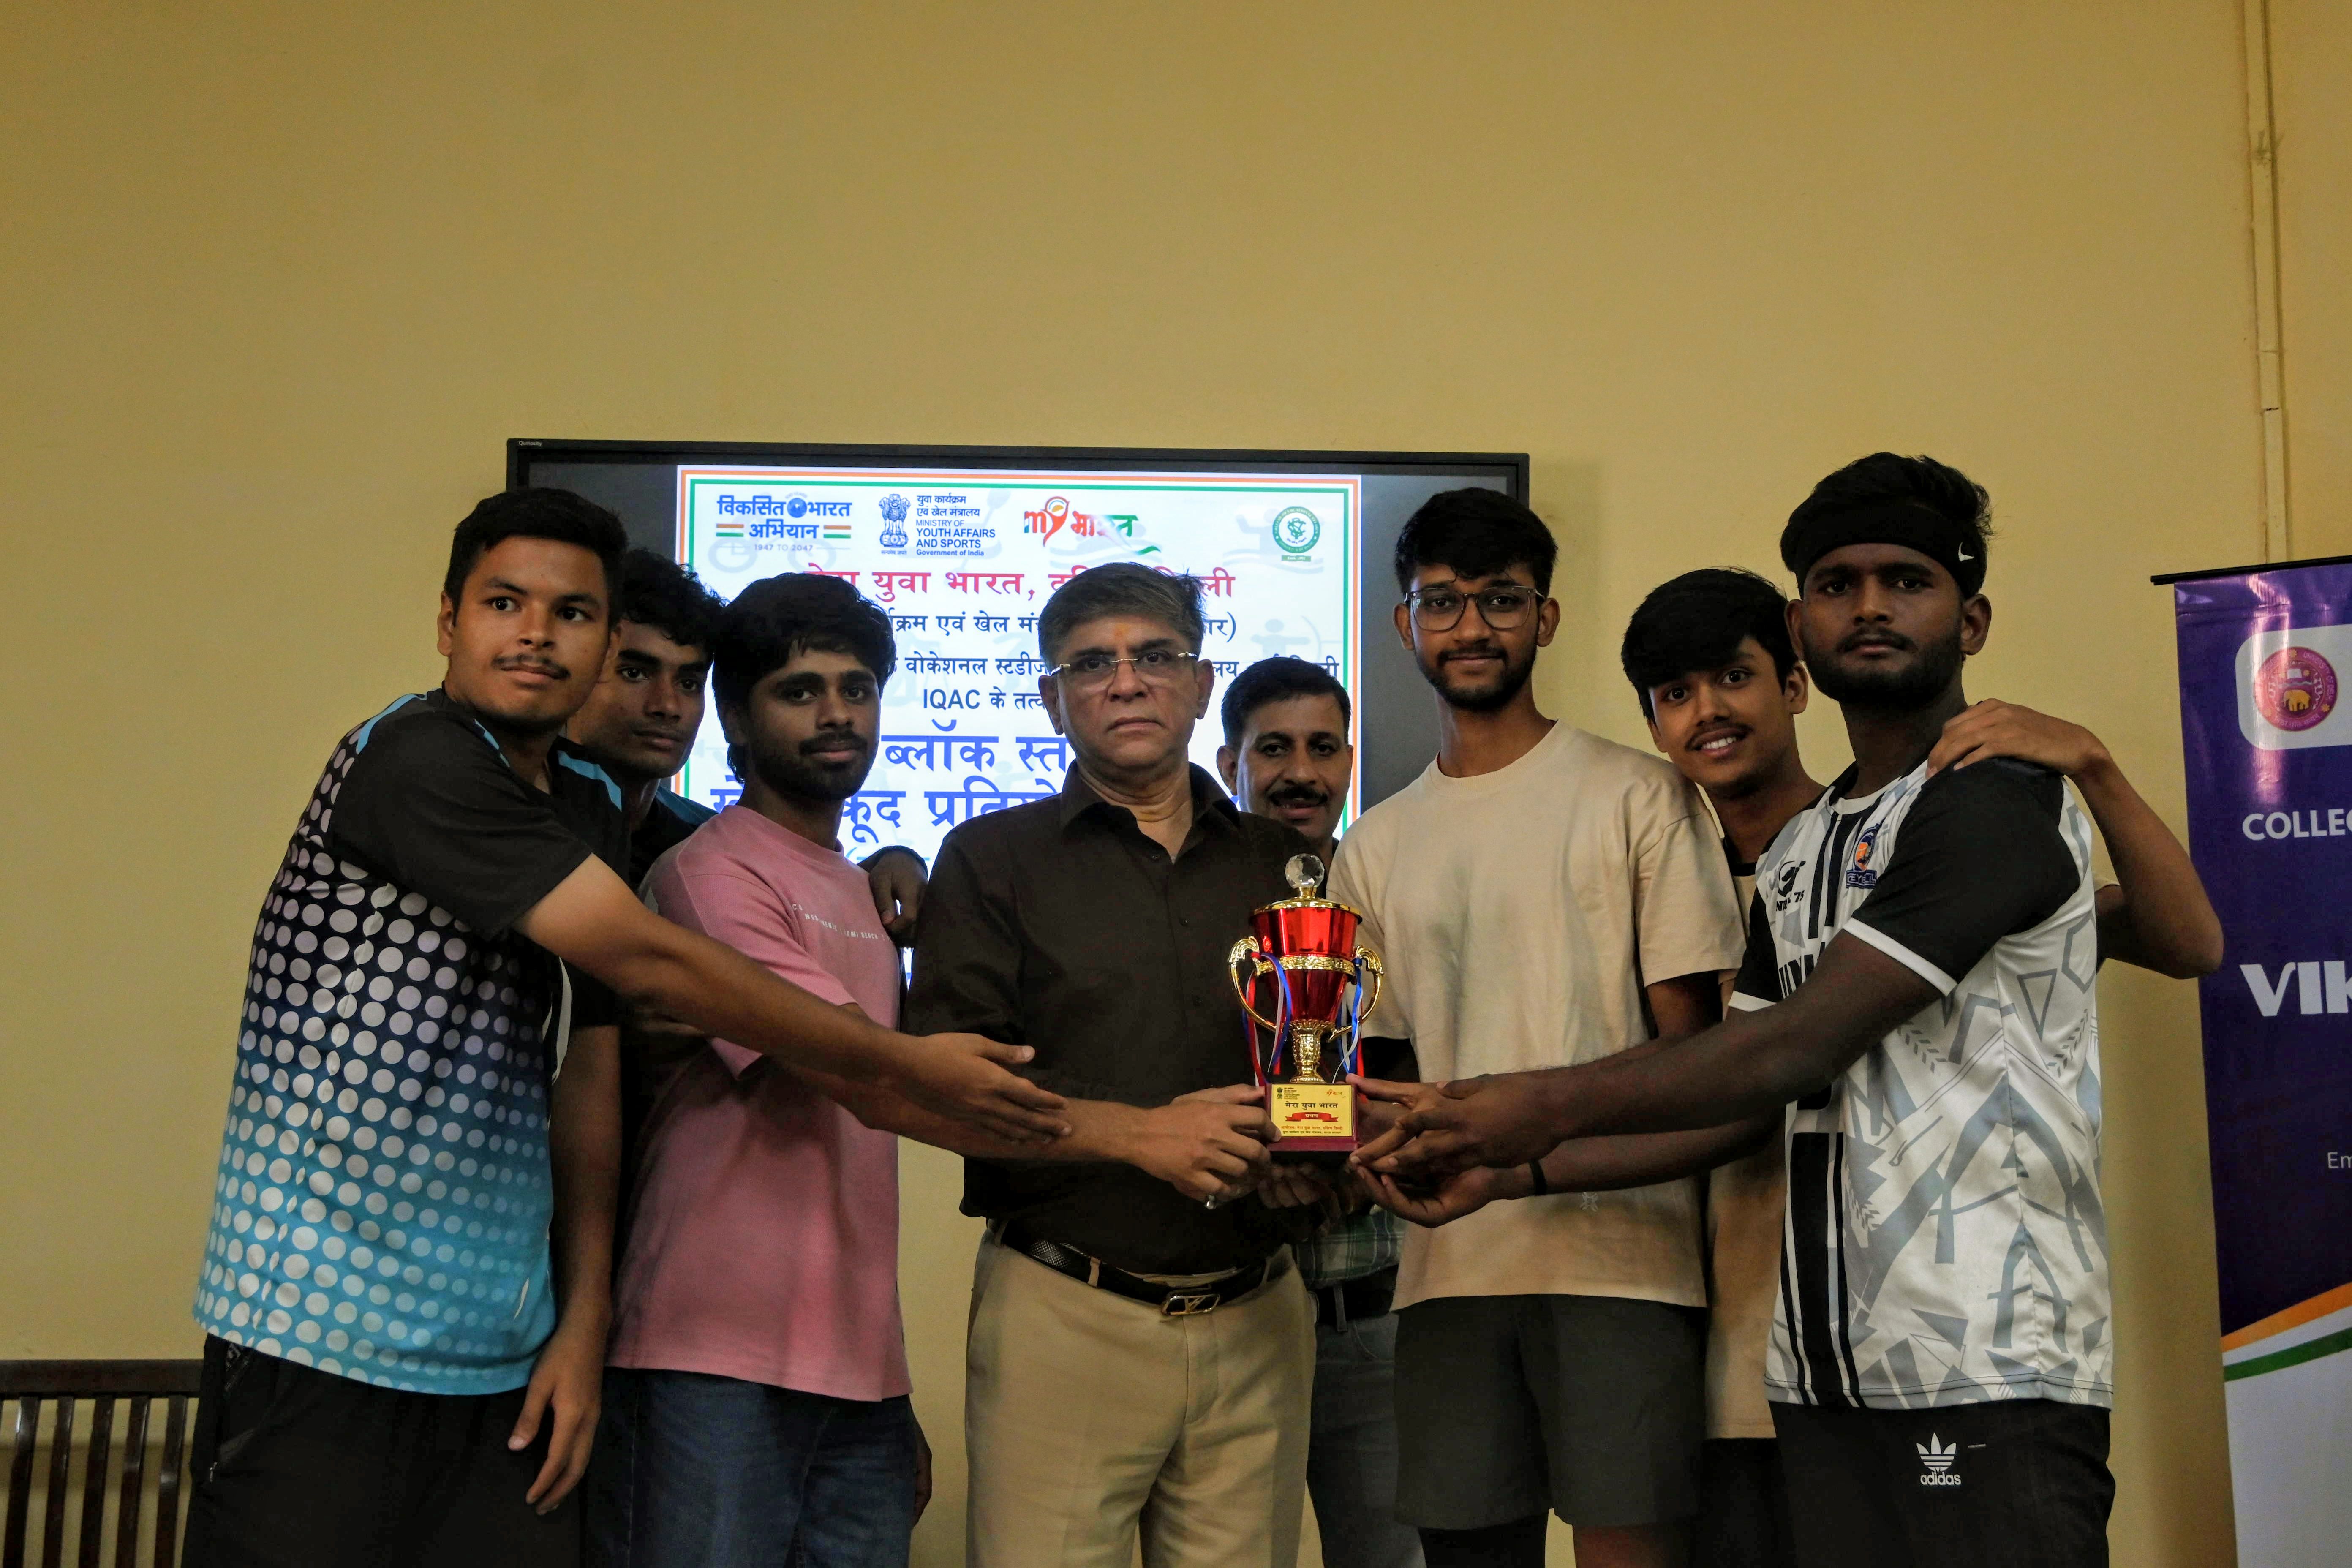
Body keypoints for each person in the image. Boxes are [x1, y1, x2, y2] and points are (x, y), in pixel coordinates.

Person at [1358, 455, 2223, 1568]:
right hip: (1824, 1367)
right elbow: (1740, 1098)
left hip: (1986, 1360)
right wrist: (1517, 1169)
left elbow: (1795, 1045)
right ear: (1804, 624)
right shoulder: (1802, 851)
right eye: (1835, 585)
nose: (1868, 606)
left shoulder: (1995, 798)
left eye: (1905, 580)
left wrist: (1525, 1105)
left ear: (1970, 620)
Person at [182, 488, 1065, 1568]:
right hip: (319, 1323)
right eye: (505, 603)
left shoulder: (592, 803)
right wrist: (901, 1057)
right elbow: (649, 959)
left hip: (505, 1344)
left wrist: (583, 1322)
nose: (538, 634)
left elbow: (591, 1066)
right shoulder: (413, 757)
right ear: (449, 619)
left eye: (572, 613)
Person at [1323, 489, 1749, 1568]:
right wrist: (1345, 1140)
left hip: (1626, 1259)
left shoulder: (1640, 795)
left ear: (1546, 618)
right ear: (1404, 624)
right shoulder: (1372, 845)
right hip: (1447, 1268)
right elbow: (1384, 1073)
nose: (1472, 626)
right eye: (1444, 601)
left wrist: (1533, 1150)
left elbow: (1700, 1061)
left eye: (1501, 599)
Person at [908, 564, 1323, 1568]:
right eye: (1092, 663)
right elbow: (952, 1087)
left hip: (1259, 1309)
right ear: (1053, 698)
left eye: (1155, 656)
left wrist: (1315, 1153)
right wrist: (1142, 1133)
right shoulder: (989, 858)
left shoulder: (1287, 862)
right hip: (1068, 1309)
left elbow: (1314, 1069)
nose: (1127, 681)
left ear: (1201, 680)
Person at [586, 574, 932, 1567]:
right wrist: (1114, 1133)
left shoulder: (863, 888)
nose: (837, 714)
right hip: (707, 1353)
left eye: (858, 688)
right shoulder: (705, 871)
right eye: (801, 690)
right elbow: (860, 1072)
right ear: (735, 718)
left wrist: (891, 1379)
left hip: (859, 1369)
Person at [1217, 658, 1421, 1568]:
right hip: (1229, 1318)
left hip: (1370, 1322)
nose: (1301, 772)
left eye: (1323, 748)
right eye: (1274, 749)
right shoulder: (1184, 905)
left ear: (1348, 761)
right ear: (1230, 764)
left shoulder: (1391, 893)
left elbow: (1435, 1072)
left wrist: (1357, 1163)